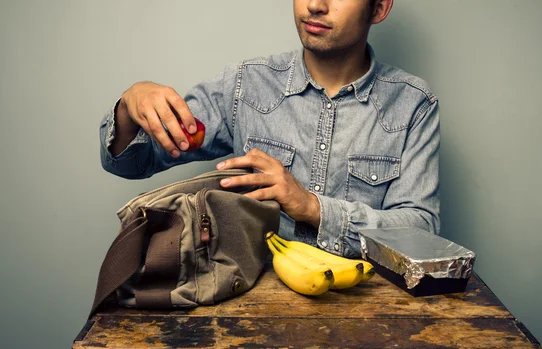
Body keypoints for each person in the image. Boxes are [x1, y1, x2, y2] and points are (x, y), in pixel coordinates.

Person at [100, 0, 440, 257]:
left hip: (367, 319)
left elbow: (422, 232)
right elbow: (132, 162)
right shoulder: (244, 86)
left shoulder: (412, 104)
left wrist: (312, 207)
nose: (314, 6)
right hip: (246, 311)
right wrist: (131, 105)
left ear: (378, 7)